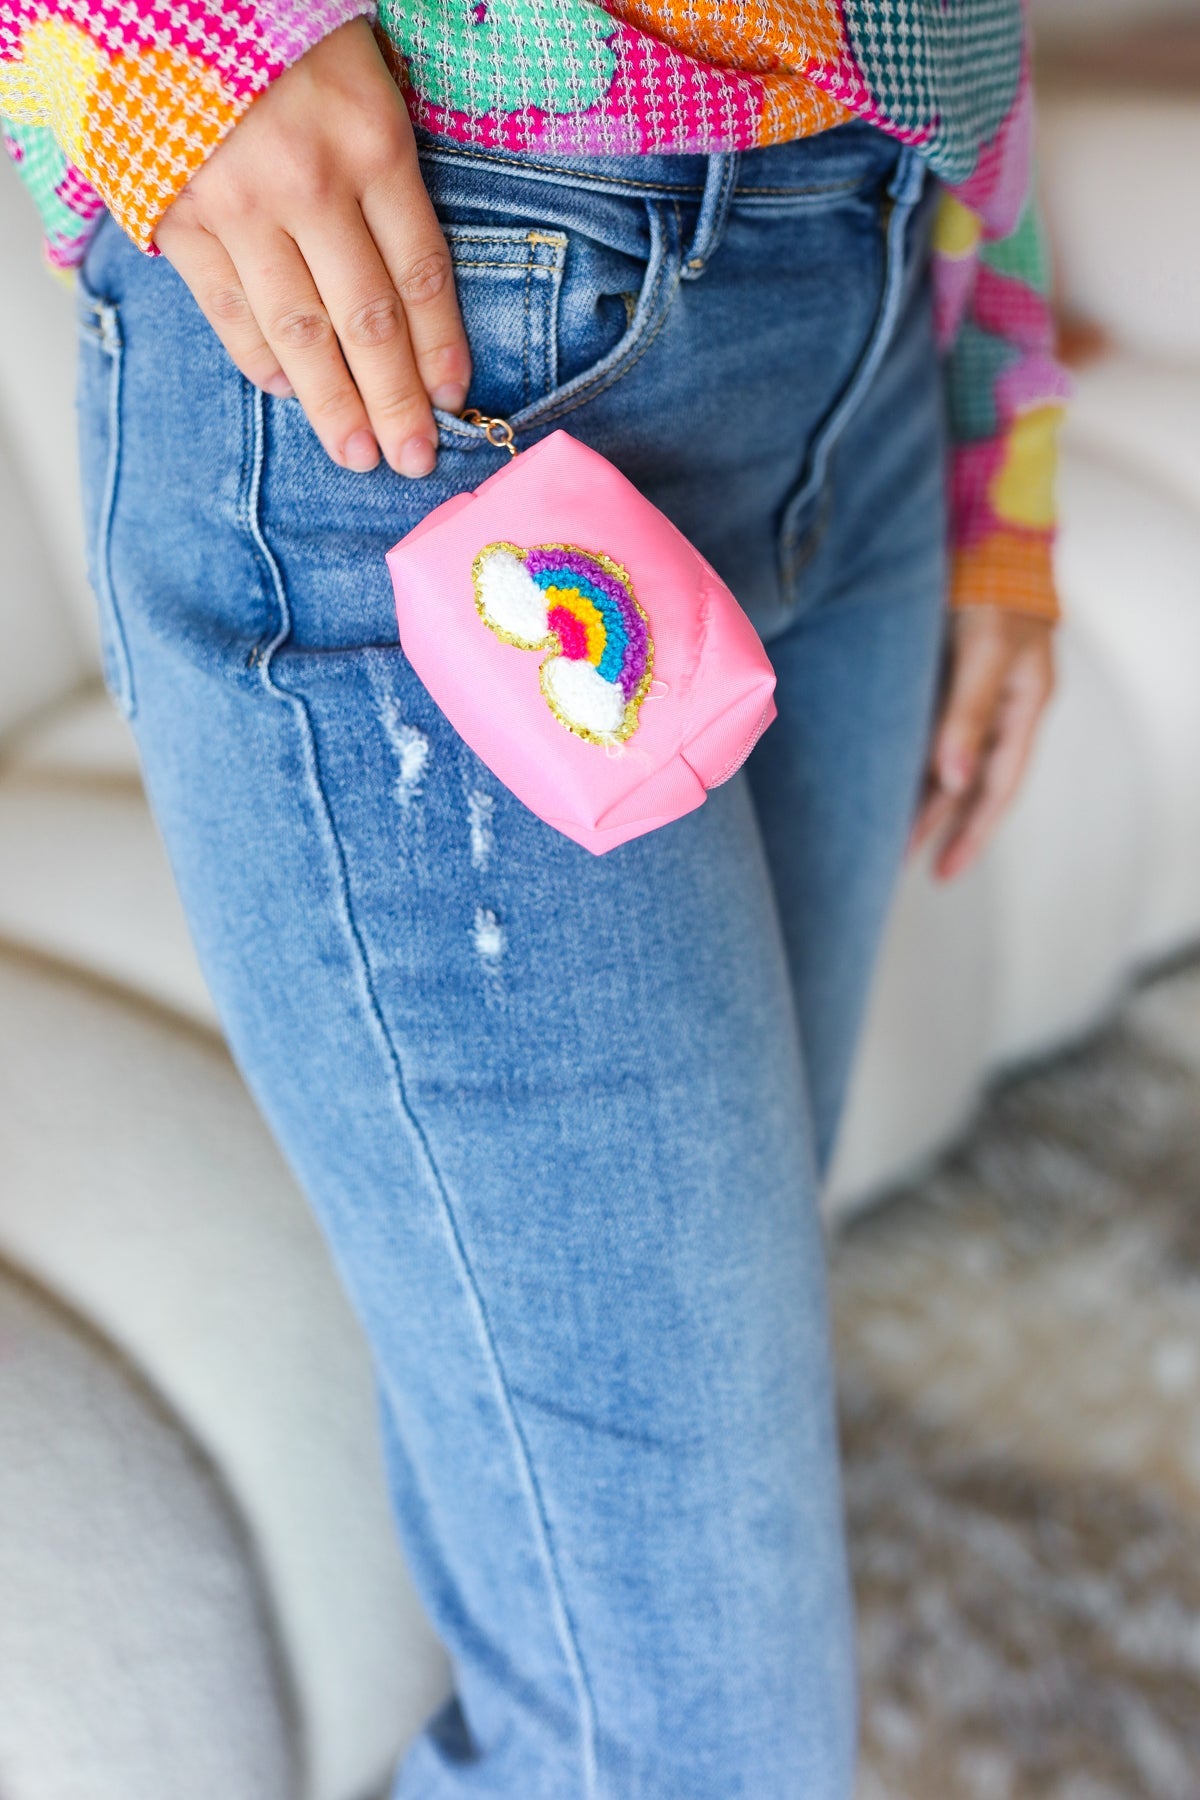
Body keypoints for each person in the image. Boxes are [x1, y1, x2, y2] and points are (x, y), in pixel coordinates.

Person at [2, 3, 1067, 1793]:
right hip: (424, 341)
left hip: (874, 298)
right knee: (686, 1746)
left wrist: (999, 418)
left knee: (621, 1590)